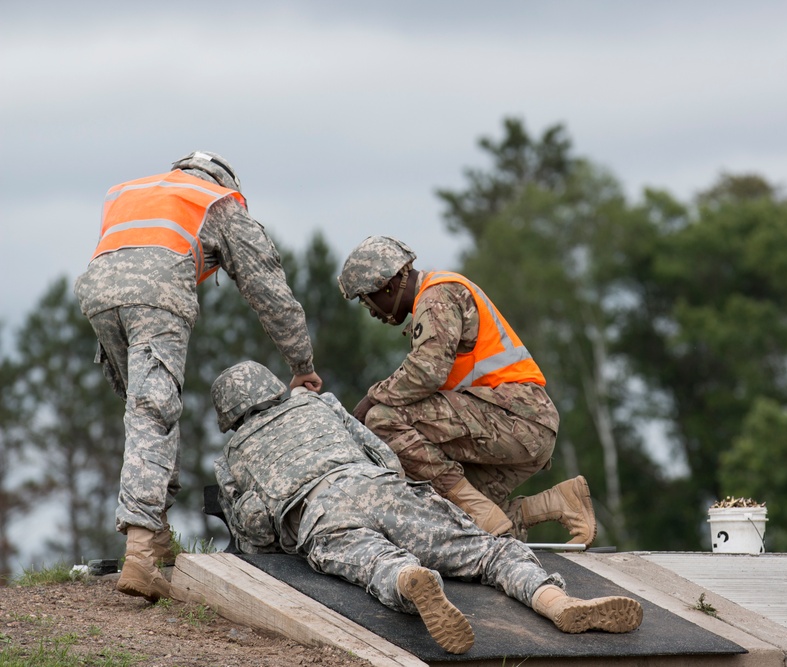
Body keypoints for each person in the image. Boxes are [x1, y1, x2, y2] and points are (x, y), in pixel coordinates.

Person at [210, 361, 642, 654]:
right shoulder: (319, 403)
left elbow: (255, 531)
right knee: (489, 552)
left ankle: (409, 579)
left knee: (377, 565)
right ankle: (554, 601)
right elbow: (384, 454)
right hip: (378, 486)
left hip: (320, 515)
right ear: (270, 386)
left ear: (228, 414)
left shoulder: (230, 456)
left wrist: (272, 541)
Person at [74, 151, 322, 602]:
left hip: (97, 291)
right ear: (224, 179)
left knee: (146, 413)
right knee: (154, 414)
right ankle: (142, 553)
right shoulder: (217, 201)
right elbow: (269, 289)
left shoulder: (138, 190)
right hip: (157, 294)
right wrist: (302, 364)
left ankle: (157, 533)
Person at [336, 235, 596, 545]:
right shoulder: (437, 297)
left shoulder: (437, 296)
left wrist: (370, 399)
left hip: (518, 419)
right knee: (437, 510)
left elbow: (426, 372)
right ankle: (556, 504)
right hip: (518, 428)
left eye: (368, 301)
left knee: (382, 418)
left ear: (389, 285)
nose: (372, 313)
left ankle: (480, 514)